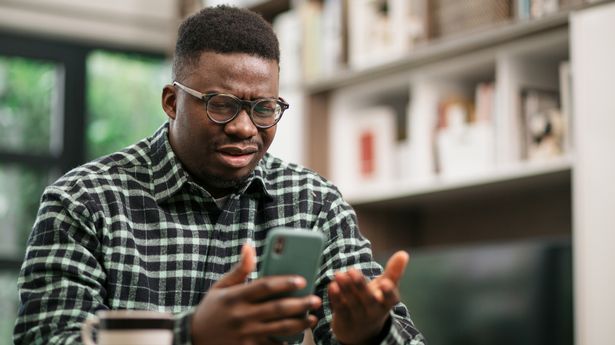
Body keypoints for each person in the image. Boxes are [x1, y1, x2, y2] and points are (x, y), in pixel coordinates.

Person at [14, 5, 425, 345]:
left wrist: (372, 332)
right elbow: (47, 338)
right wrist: (189, 334)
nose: (245, 128)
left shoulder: (313, 202)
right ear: (172, 102)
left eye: (264, 108)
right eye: (221, 104)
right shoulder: (82, 202)